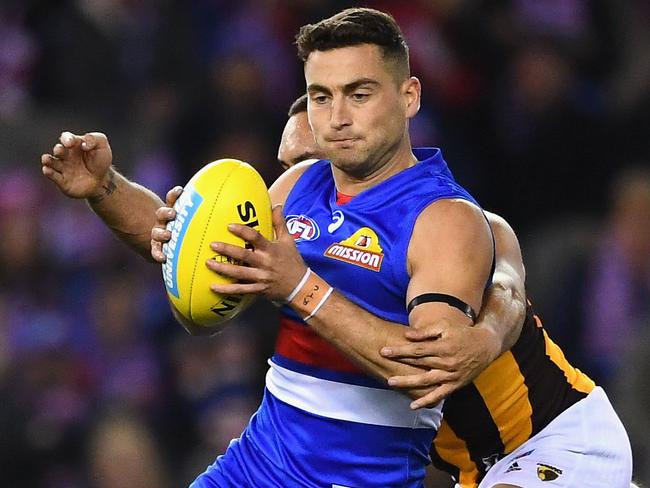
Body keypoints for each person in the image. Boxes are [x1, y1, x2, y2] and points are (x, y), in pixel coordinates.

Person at [41, 8, 631, 487]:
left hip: (551, 440)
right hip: (303, 463)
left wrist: (297, 285)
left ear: (409, 97)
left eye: (358, 93)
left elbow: (437, 360)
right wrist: (106, 189)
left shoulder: (450, 220)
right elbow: (199, 253)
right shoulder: (300, 189)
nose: (336, 119)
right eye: (320, 98)